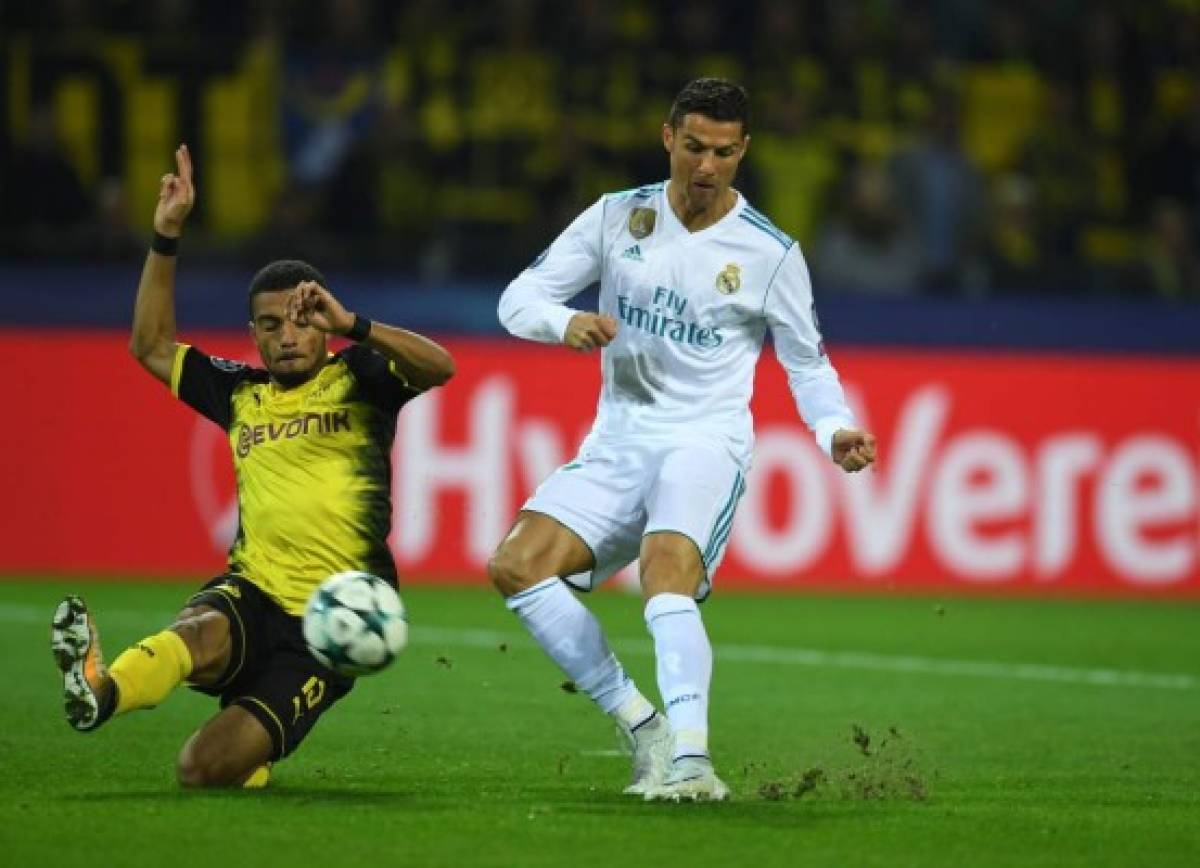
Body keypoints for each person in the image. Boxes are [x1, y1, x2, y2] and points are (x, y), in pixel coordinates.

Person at [489, 78, 876, 802]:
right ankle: (645, 729)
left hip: (705, 441)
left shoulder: (770, 253)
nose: (706, 166)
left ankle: (694, 763)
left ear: (744, 152)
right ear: (667, 137)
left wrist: (833, 428)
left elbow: (805, 361)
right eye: (694, 147)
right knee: (516, 565)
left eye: (724, 153)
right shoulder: (616, 217)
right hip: (619, 440)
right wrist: (562, 323)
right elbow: (519, 299)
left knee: (662, 570)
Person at [50, 144, 455, 788]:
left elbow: (441, 365)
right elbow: (149, 345)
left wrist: (355, 323)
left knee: (201, 770)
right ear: (254, 333)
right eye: (271, 326)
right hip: (254, 591)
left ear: (320, 322)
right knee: (200, 632)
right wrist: (166, 234)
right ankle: (102, 687)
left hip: (330, 629)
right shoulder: (239, 392)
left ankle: (244, 762)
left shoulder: (362, 377)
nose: (287, 336)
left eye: (299, 320)